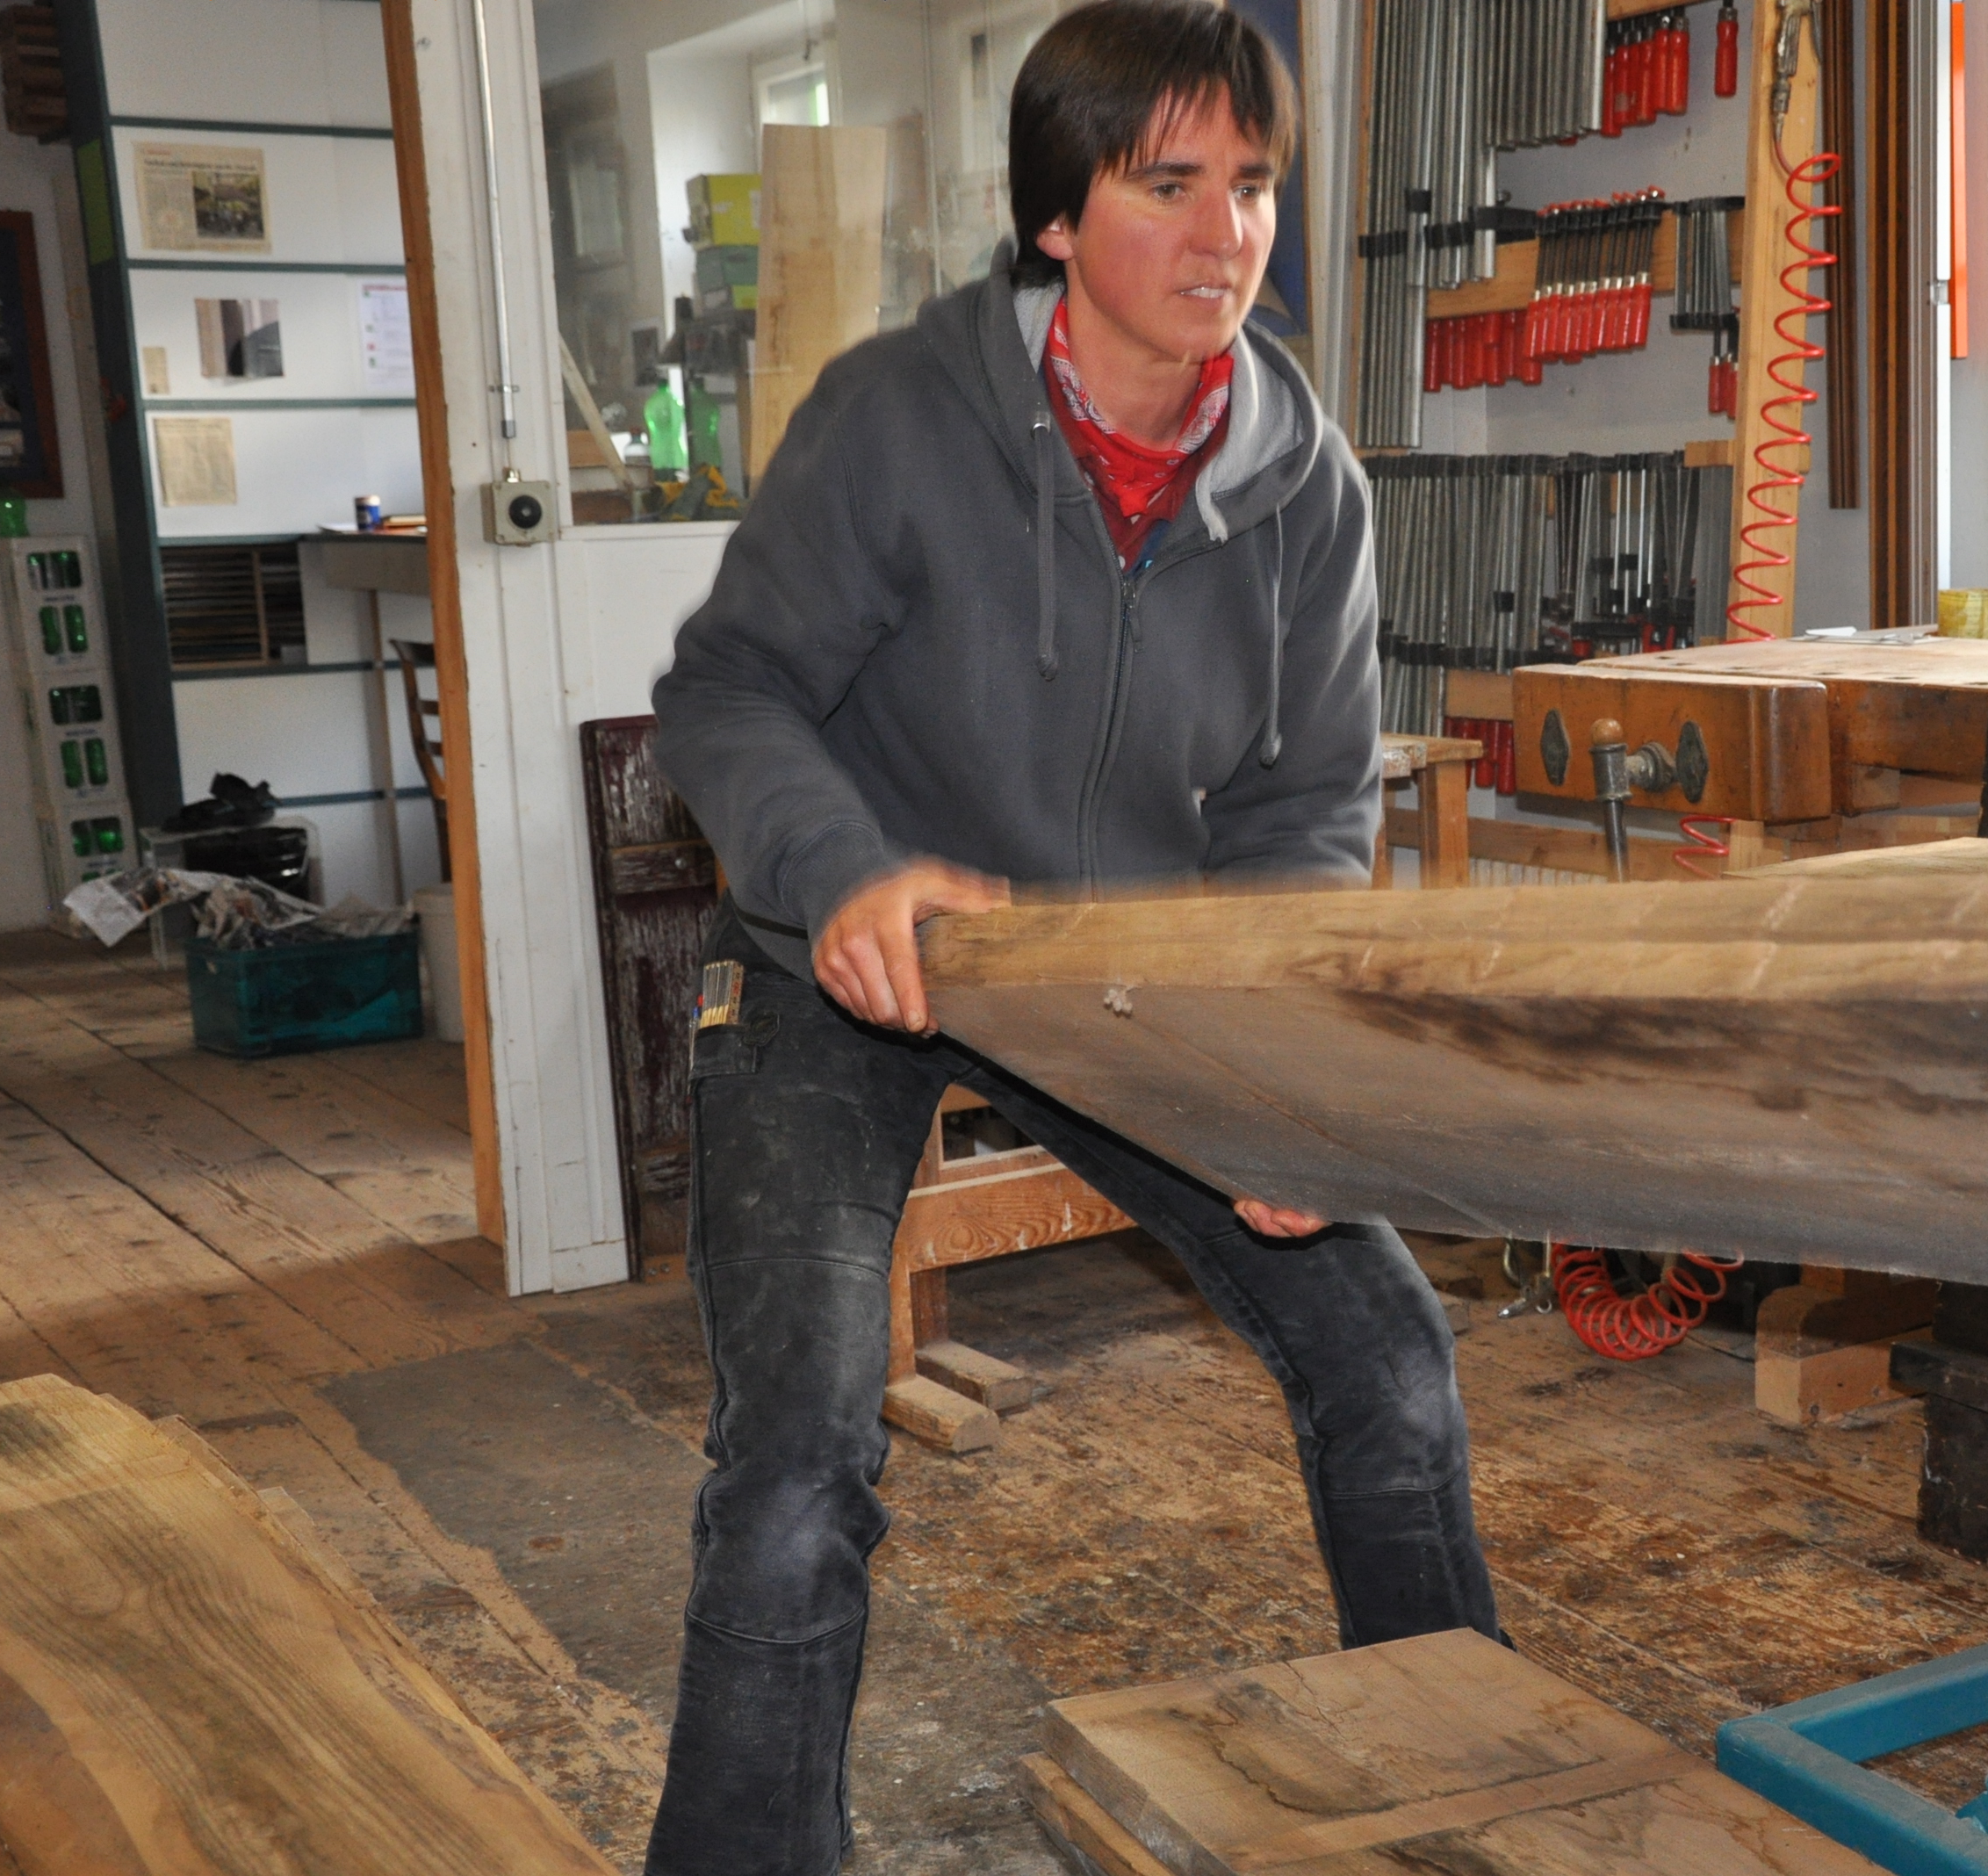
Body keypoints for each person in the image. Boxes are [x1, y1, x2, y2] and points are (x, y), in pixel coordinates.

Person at [645, 4, 1502, 1870]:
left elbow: (1298, 817)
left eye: (1253, 186)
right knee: (797, 1464)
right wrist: (841, 868)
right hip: (834, 965)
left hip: (1109, 981)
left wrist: (1268, 1076)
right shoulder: (896, 418)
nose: (1225, 234)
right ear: (1055, 214)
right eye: (1165, 185)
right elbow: (726, 694)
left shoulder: (1306, 490)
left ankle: (1486, 1817)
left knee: (1389, 1361)